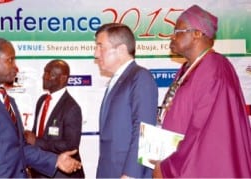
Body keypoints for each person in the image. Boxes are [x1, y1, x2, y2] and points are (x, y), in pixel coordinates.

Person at [0, 36, 82, 178]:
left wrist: (55, 161)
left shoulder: (8, 100)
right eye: (10, 60)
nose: (15, 67)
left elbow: (19, 148)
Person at [152, 5, 251, 177]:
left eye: (178, 31)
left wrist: (169, 168)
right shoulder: (189, 67)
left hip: (198, 169)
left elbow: (205, 135)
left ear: (197, 33)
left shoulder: (215, 69)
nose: (172, 36)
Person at [94, 23, 158, 178]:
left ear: (121, 50)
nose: (96, 53)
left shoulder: (140, 77)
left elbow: (144, 131)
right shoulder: (116, 80)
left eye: (100, 47)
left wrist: (131, 174)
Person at [24, 59, 85, 178]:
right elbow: (37, 132)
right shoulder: (42, 101)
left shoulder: (72, 107)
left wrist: (36, 141)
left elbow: (71, 146)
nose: (44, 77)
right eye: (44, 72)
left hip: (61, 174)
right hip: (39, 170)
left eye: (49, 74)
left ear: (63, 78)